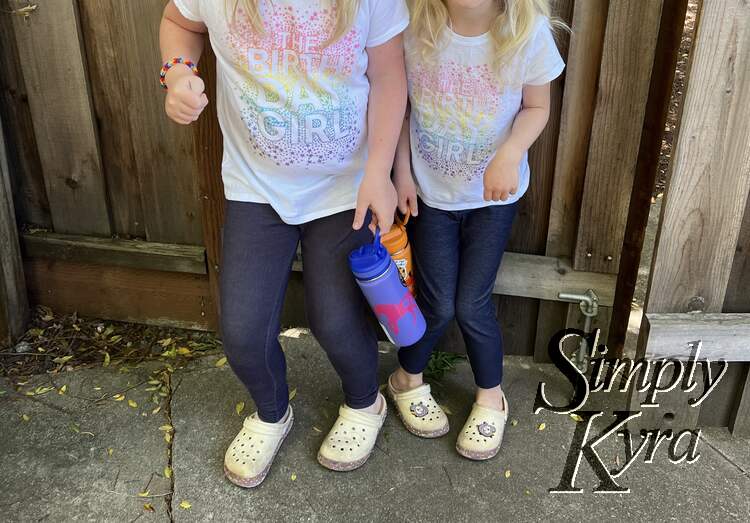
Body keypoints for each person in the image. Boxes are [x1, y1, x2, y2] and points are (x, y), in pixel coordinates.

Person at [159, 0, 408, 486]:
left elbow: (389, 76)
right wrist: (178, 73)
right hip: (257, 190)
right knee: (243, 332)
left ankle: (364, 402)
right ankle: (271, 412)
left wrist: (380, 171)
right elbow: (177, 21)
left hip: (346, 189)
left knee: (337, 321)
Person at [388, 0, 565, 460]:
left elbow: (538, 106)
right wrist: (402, 174)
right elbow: (401, 108)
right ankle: (406, 377)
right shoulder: (412, 26)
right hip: (431, 195)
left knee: (472, 303)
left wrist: (510, 153)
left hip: (494, 199)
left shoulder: (528, 31)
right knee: (438, 303)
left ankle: (491, 395)